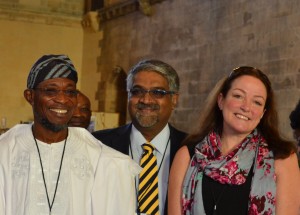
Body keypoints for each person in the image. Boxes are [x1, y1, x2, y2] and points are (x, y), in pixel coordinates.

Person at [0, 54, 140, 215]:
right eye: (51, 90)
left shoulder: (106, 162)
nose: (62, 99)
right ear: (30, 96)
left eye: (70, 92)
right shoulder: (5, 153)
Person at [168, 66, 300, 215]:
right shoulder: (187, 155)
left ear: (263, 113)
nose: (246, 107)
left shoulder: (282, 158)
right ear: (221, 100)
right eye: (238, 96)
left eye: (257, 102)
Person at [92, 59, 187, 215]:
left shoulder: (192, 149)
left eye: (157, 92)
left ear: (174, 99)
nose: (146, 100)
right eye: (137, 91)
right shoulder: (99, 144)